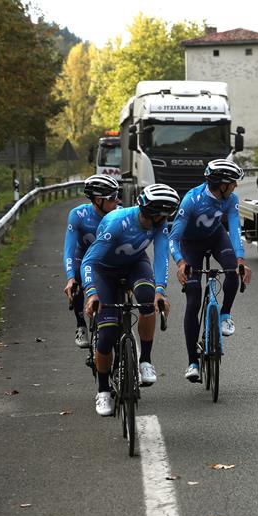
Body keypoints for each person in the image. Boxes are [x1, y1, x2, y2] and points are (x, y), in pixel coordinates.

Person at [81, 184, 179, 416]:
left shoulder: (158, 224)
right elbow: (89, 262)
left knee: (147, 297)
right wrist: (92, 292)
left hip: (135, 263)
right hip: (104, 271)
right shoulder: (117, 223)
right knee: (106, 334)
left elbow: (162, 256)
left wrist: (160, 290)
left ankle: (145, 360)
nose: (165, 219)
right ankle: (103, 391)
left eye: (168, 215)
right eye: (162, 215)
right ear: (149, 211)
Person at [169, 159, 252, 383]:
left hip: (216, 237)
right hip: (191, 245)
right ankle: (192, 362)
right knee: (194, 300)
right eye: (232, 182)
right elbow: (174, 238)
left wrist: (240, 259)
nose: (235, 186)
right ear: (221, 184)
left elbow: (235, 230)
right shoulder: (191, 201)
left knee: (233, 270)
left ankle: (224, 314)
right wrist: (180, 263)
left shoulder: (231, 199)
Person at [63, 174, 121, 348]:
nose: (117, 201)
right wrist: (70, 277)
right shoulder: (78, 215)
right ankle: (81, 325)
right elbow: (69, 249)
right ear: (97, 200)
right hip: (84, 257)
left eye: (118, 195)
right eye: (112, 197)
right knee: (77, 280)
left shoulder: (120, 213)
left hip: (111, 259)